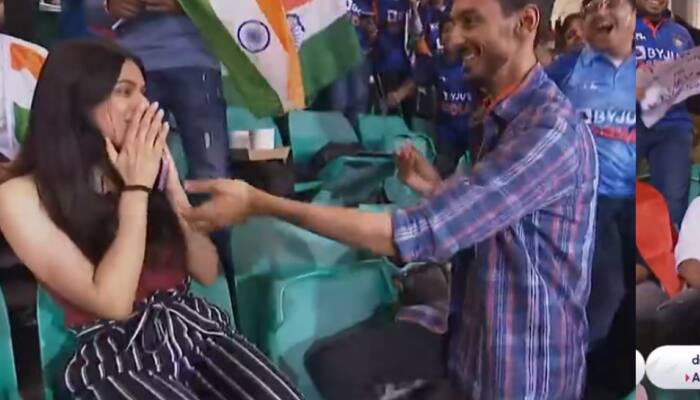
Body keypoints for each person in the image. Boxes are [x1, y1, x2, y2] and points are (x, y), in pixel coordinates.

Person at [184, 0, 599, 398]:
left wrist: (261, 204)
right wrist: (435, 190)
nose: (452, 40)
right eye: (454, 23)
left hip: (520, 375)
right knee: (333, 364)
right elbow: (500, 220)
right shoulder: (500, 115)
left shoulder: (548, 133)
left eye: (472, 21)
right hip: (470, 346)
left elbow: (410, 235)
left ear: (526, 23)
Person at [0, 40, 301, 399]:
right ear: (76, 103)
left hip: (195, 329)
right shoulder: (20, 196)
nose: (143, 106)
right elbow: (112, 302)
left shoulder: (147, 169)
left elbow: (206, 271)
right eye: (124, 92)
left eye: (144, 92)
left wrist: (172, 190)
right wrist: (136, 190)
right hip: (115, 353)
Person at [106, 0, 235, 307]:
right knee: (122, 175)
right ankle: (138, 287)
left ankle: (223, 296)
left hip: (196, 57)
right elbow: (80, 9)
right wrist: (109, 4)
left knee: (211, 178)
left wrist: (192, 4)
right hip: (129, 62)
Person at [546, 0, 636, 397]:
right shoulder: (567, 69)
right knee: (602, 300)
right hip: (586, 204)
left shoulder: (658, 69)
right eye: (591, 6)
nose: (601, 13)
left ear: (632, 14)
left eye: (611, 3)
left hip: (640, 205)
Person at [636, 0, 695, 227]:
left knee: (672, 204)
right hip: (629, 121)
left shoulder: (682, 34)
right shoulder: (618, 26)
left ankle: (667, 257)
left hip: (674, 125)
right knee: (613, 196)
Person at [329, 0, 376, 131]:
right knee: (339, 102)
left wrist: (370, 30)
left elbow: (371, 26)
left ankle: (356, 143)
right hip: (337, 56)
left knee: (359, 103)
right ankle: (338, 140)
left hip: (360, 54)